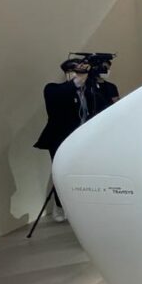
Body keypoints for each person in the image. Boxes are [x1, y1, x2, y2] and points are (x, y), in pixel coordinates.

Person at [34, 59, 92, 222]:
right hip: (61, 139)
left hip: (84, 141)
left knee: (84, 173)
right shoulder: (53, 89)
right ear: (68, 73)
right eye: (76, 71)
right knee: (63, 173)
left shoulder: (89, 91)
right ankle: (61, 206)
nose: (80, 76)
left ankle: (83, 206)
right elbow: (56, 101)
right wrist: (75, 83)